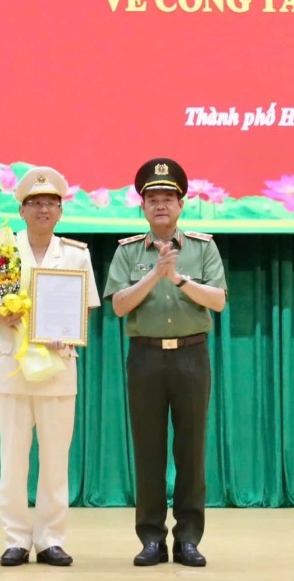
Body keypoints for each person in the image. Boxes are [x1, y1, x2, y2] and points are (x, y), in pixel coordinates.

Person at [103, 158, 227, 567]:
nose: (160, 205)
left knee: (191, 451)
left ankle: (189, 538)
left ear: (180, 204)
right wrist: (154, 275)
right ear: (142, 207)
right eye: (152, 198)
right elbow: (119, 306)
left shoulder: (204, 247)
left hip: (193, 355)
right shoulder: (126, 252)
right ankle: (151, 539)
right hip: (145, 358)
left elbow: (219, 300)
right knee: (149, 450)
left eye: (168, 198)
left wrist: (178, 279)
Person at [0, 166, 100, 568]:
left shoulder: (77, 254)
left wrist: (66, 329)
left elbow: (84, 308)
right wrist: (4, 315)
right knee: (12, 460)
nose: (43, 209)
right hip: (12, 367)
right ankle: (15, 538)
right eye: (35, 203)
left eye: (50, 203)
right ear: (22, 209)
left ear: (61, 211)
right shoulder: (2, 252)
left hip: (58, 367)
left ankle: (50, 539)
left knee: (54, 460)